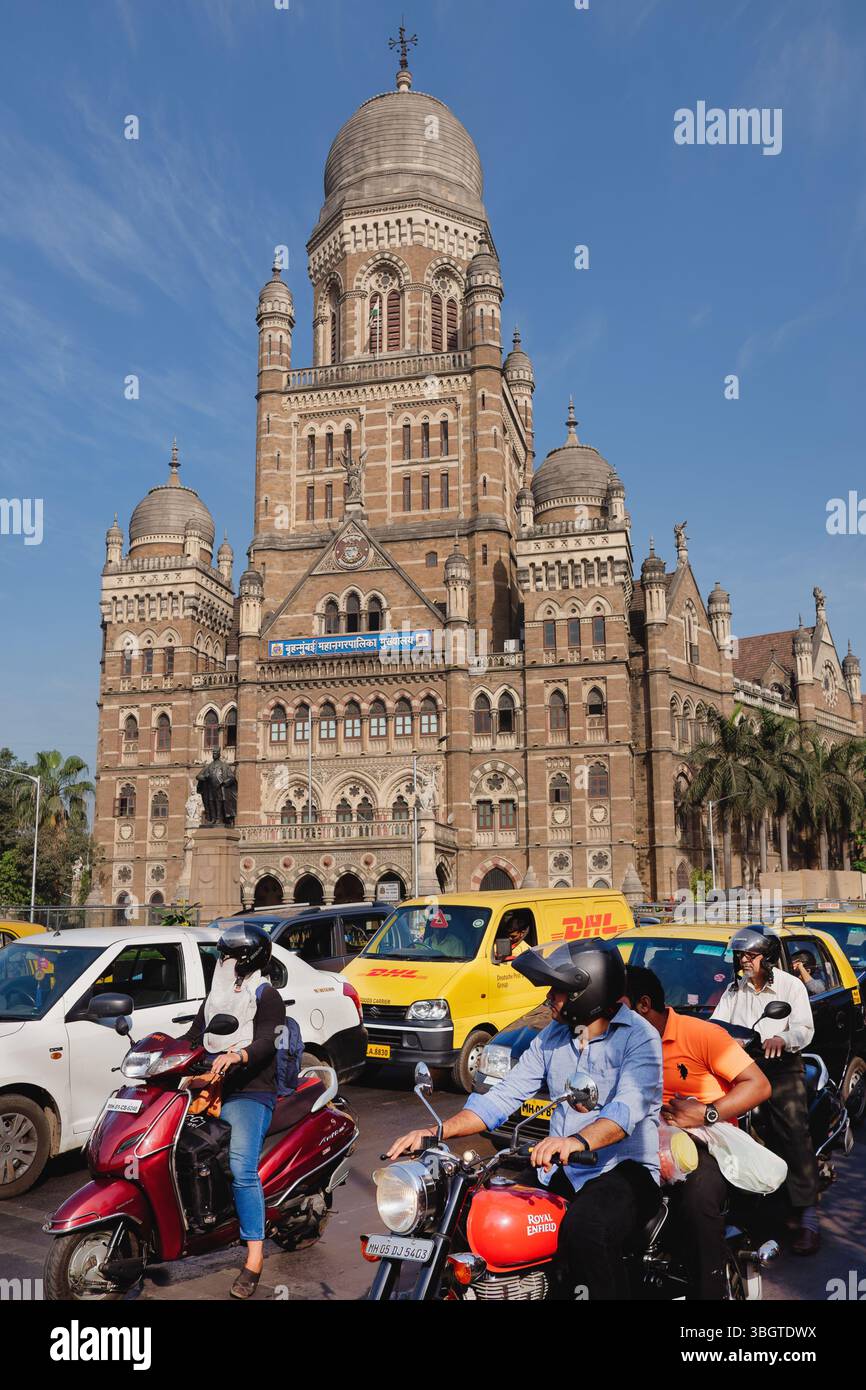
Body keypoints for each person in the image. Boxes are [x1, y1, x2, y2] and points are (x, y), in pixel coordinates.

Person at [387, 939, 663, 1299]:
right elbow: (502, 1097)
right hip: (562, 1170)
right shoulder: (552, 1036)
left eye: (559, 991)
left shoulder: (639, 1037)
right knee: (479, 1214)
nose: (551, 998)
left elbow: (626, 1109)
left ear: (587, 991)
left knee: (586, 1229)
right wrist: (437, 1131)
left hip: (622, 1170)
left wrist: (575, 1141)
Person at [624, 964, 771, 1299]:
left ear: (643, 1005)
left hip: (703, 1143)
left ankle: (712, 1291)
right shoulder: (619, 1042)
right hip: (638, 1141)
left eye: (616, 1007)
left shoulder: (702, 1035)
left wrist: (707, 1113)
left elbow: (758, 1085)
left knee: (697, 1200)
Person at [184, 923, 286, 1298]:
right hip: (212, 1085)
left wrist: (239, 1054)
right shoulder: (217, 997)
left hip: (251, 1092)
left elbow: (269, 1041)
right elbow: (195, 1034)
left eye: (228, 956)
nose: (222, 962)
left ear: (246, 961)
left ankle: (254, 1257)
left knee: (242, 1166)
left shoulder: (266, 995)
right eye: (221, 956)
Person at [711, 926, 820, 1254]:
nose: (744, 960)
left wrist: (781, 1038)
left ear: (767, 957)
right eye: (741, 955)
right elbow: (717, 1024)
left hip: (782, 1065)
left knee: (792, 1127)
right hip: (744, 1066)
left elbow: (804, 1028)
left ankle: (810, 1218)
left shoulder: (790, 986)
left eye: (750, 955)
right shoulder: (734, 990)